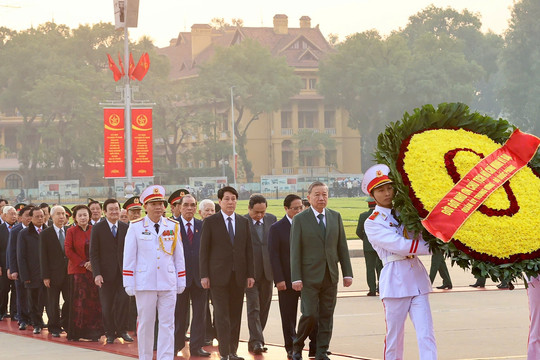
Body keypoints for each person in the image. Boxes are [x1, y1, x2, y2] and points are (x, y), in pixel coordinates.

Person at [362, 164, 437, 360]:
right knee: (395, 338)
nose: (387, 193)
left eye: (389, 188)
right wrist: (434, 247)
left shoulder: (406, 213)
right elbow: (400, 245)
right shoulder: (372, 222)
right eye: (381, 190)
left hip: (417, 280)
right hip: (395, 281)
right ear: (372, 194)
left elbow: (420, 236)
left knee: (426, 333)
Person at [290, 181, 353, 360]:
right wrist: (296, 277)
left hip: (330, 275)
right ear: (308, 197)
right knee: (309, 314)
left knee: (327, 315)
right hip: (309, 278)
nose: (321, 198)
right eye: (317, 194)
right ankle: (298, 345)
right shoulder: (300, 219)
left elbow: (342, 247)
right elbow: (295, 251)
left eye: (324, 194)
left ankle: (322, 351)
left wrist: (347, 273)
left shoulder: (335, 217)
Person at [123, 185, 186, 360]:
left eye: (161, 203)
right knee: (145, 323)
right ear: (145, 206)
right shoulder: (135, 227)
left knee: (168, 323)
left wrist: (181, 279)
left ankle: (166, 357)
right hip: (145, 281)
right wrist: (128, 281)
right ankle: (145, 356)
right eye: (154, 203)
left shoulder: (173, 226)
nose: (158, 207)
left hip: (168, 281)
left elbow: (178, 256)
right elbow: (129, 257)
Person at [200, 186, 255, 360]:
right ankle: (224, 353)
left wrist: (250, 274)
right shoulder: (210, 222)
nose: (230, 202)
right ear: (220, 201)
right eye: (227, 199)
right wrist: (204, 275)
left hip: (238, 276)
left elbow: (249, 250)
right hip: (217, 277)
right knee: (222, 315)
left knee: (235, 315)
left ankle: (233, 350)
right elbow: (204, 251)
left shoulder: (243, 222)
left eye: (233, 199)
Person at [268, 194, 317, 359]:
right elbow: (273, 256)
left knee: (311, 313)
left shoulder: (308, 225)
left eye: (300, 208)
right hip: (286, 280)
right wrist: (279, 279)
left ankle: (313, 346)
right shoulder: (277, 228)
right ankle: (291, 346)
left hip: (308, 279)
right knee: (288, 315)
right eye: (294, 208)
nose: (298, 211)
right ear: (286, 209)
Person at [90, 198, 133, 344]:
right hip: (105, 275)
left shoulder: (126, 227)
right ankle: (109, 332)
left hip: (123, 274)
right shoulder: (97, 228)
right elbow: (93, 253)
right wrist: (97, 273)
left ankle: (122, 330)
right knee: (107, 306)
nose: (114, 212)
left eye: (116, 209)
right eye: (111, 209)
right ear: (105, 212)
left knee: (123, 303)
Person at [174, 194, 209, 357]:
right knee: (179, 314)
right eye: (186, 205)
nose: (189, 208)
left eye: (192, 205)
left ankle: (196, 346)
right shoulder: (172, 226)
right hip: (179, 278)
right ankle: (177, 344)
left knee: (200, 314)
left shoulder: (203, 225)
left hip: (200, 277)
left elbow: (209, 251)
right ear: (179, 207)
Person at [65, 205, 104, 341]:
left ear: (89, 216)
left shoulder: (95, 230)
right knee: (80, 302)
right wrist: (83, 263)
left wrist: (93, 264)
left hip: (93, 271)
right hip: (78, 271)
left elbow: (99, 248)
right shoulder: (71, 231)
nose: (83, 218)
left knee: (94, 302)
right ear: (75, 218)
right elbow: (68, 250)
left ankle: (94, 332)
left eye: (85, 215)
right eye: (80, 215)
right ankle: (78, 331)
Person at [245, 194, 277, 354]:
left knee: (264, 307)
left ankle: (255, 338)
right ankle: (257, 341)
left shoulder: (272, 219)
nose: (259, 215)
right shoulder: (242, 221)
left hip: (268, 272)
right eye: (256, 212)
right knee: (253, 308)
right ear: (249, 209)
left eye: (262, 212)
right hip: (250, 273)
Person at [39, 205, 70, 337]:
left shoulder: (70, 231)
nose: (61, 216)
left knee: (69, 300)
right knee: (52, 302)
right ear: (51, 216)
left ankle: (66, 323)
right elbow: (43, 256)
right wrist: (45, 276)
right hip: (52, 274)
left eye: (63, 214)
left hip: (68, 274)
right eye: (58, 214)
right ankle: (54, 326)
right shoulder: (45, 234)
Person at [17, 206, 47, 334]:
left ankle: (43, 321)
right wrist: (25, 276)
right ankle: (36, 323)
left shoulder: (48, 231)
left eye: (42, 216)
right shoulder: (24, 234)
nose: (40, 219)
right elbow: (21, 256)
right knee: (33, 300)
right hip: (31, 273)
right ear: (31, 218)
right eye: (37, 217)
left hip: (46, 273)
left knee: (45, 299)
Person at [7, 204, 33, 329]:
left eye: (31, 216)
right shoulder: (16, 230)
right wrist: (12, 269)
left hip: (35, 269)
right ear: (20, 218)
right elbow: (11, 251)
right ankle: (22, 318)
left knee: (34, 295)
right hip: (19, 267)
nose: (29, 218)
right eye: (27, 216)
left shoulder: (39, 229)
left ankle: (33, 318)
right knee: (21, 294)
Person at [198, 198, 217, 346]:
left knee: (219, 305)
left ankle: (218, 331)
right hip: (202, 273)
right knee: (203, 306)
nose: (210, 213)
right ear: (200, 213)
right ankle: (207, 334)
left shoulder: (220, 226)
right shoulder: (198, 227)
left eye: (212, 210)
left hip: (218, 274)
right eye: (207, 210)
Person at [355, 197, 383, 296]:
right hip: (379, 245)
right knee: (381, 267)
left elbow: (358, 231)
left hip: (368, 246)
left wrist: (366, 239)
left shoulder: (363, 216)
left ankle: (372, 289)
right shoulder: (380, 215)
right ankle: (381, 288)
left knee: (369, 268)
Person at [0, 205, 17, 320]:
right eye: (11, 214)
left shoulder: (18, 228)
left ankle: (15, 312)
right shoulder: (0, 229)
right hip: (3, 264)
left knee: (16, 289)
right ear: (4, 215)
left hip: (16, 264)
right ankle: (2, 311)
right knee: (3, 289)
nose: (14, 216)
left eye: (15, 214)